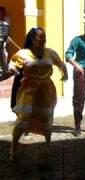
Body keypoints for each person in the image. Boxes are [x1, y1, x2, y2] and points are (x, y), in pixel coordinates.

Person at [0, 27, 68, 161]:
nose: (43, 39)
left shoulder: (50, 53)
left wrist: (65, 74)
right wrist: (1, 78)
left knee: (46, 118)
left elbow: (61, 64)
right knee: (23, 118)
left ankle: (48, 147)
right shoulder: (23, 54)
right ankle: (14, 147)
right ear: (33, 39)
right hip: (29, 89)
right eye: (40, 37)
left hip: (46, 91)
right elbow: (12, 71)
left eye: (44, 36)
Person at [0, 6, 9, 73]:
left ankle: (5, 71)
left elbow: (5, 34)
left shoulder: (6, 22)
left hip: (3, 43)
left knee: (4, 56)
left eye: (1, 12)